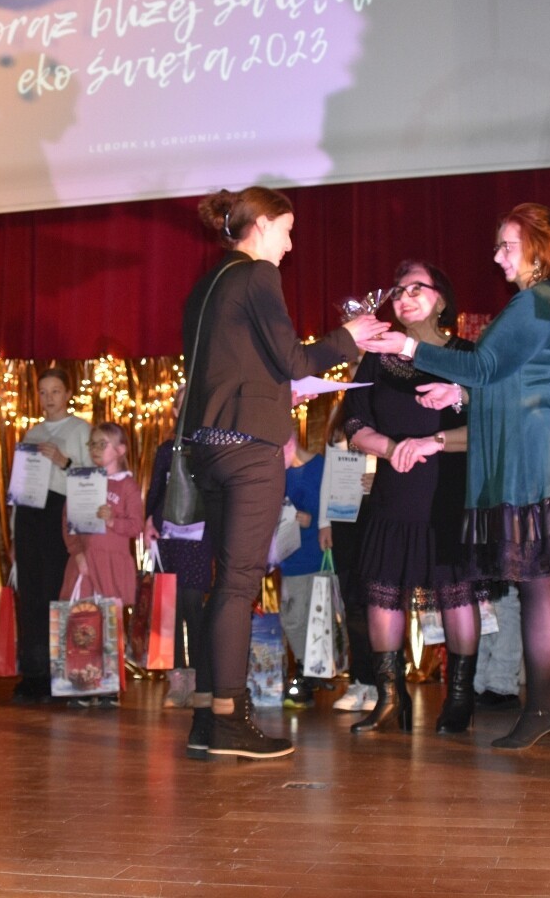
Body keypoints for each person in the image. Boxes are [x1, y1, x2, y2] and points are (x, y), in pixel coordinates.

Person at [361, 204, 550, 749]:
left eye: (507, 246)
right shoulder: (546, 301)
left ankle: (542, 711)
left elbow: (487, 368)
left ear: (538, 248)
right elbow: (514, 377)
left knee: (540, 581)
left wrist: (409, 346)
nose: (497, 257)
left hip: (540, 454)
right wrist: (460, 391)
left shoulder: (534, 301)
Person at [181, 185, 385, 760]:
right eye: (288, 232)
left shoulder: (206, 286)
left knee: (224, 582)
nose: (291, 246)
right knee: (239, 583)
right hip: (250, 447)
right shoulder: (257, 275)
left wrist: (279, 387)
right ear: (264, 225)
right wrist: (350, 339)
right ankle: (229, 719)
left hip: (209, 446)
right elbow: (294, 359)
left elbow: (238, 367)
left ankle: (207, 716)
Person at [342, 260, 482, 735]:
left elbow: (492, 424)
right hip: (395, 489)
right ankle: (390, 698)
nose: (403, 297)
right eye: (398, 290)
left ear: (441, 298)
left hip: (449, 490)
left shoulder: (466, 355)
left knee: (457, 593)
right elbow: (354, 422)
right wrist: (391, 448)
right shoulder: (376, 358)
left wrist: (431, 440)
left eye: (416, 288)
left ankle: (460, 699)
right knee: (383, 592)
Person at [11, 367, 93, 703]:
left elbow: (92, 478)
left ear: (68, 394)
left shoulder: (80, 430)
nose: (49, 398)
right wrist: (14, 533)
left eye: (55, 391)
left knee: (54, 591)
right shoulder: (32, 432)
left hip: (59, 513)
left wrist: (64, 461)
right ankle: (33, 673)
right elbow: (20, 483)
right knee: (30, 593)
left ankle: (59, 673)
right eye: (43, 392)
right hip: (29, 513)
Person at [61, 421, 142, 708]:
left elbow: (136, 525)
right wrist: (77, 553)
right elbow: (68, 521)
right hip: (84, 564)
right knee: (82, 622)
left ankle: (107, 686)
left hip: (111, 564)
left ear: (120, 450)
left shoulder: (127, 485)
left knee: (109, 623)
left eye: (102, 444)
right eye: (92, 444)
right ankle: (81, 685)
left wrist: (112, 520)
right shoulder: (82, 480)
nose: (95, 449)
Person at [143, 428, 214, 709]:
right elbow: (156, 488)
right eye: (179, 406)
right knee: (170, 606)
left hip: (199, 535)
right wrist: (149, 520)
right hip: (169, 534)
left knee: (193, 603)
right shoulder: (167, 449)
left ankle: (197, 679)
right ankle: (176, 679)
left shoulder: (211, 447)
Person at [317, 399, 376, 712]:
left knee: (376, 602)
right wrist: (324, 522)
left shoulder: (384, 403)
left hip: (375, 512)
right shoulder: (339, 412)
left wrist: (381, 479)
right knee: (352, 602)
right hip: (343, 515)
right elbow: (330, 470)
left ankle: (381, 683)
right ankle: (360, 681)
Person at [275, 430, 326, 709]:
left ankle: (311, 674)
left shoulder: (321, 467)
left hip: (318, 554)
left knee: (317, 618)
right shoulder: (279, 473)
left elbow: (335, 508)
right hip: (290, 556)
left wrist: (313, 519)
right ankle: (308, 668)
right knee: (292, 617)